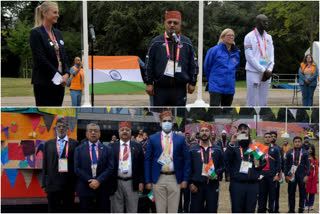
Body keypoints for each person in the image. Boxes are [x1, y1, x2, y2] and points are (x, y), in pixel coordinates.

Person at [144, 11, 199, 106]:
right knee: (160, 114)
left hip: (180, 89)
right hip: (160, 88)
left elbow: (193, 64)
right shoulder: (156, 41)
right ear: (165, 24)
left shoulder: (186, 42)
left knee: (179, 116)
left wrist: (192, 82)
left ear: (180, 25)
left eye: (175, 23)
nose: (172, 25)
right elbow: (148, 64)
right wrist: (149, 83)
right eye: (169, 22)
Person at [144, 111, 190, 212]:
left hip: (175, 178)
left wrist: (185, 179)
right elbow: (147, 160)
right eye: (164, 121)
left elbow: (187, 159)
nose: (167, 123)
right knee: (160, 210)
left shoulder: (181, 139)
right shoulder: (152, 139)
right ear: (160, 123)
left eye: (169, 121)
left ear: (173, 123)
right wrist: (148, 180)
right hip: (158, 178)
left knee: (173, 210)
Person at [30, 2, 70, 106]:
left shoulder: (58, 33)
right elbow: (40, 59)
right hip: (44, 83)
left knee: (56, 113)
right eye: (55, 12)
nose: (58, 15)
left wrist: (66, 73)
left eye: (58, 12)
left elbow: (64, 56)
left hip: (59, 83)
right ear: (44, 13)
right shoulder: (36, 33)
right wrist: (57, 76)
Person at [224, 123, 266, 213]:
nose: (243, 130)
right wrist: (231, 143)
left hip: (252, 185)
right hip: (237, 185)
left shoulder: (255, 147)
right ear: (237, 132)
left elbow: (264, 162)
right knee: (237, 210)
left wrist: (259, 164)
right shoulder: (233, 147)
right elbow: (225, 159)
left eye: (245, 129)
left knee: (250, 210)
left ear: (249, 132)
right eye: (240, 129)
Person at [74, 123, 114, 213]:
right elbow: (77, 168)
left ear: (99, 134)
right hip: (85, 187)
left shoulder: (107, 149)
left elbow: (110, 167)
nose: (93, 133)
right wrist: (90, 180)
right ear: (86, 134)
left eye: (95, 131)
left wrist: (98, 180)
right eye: (90, 131)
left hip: (102, 188)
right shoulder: (79, 149)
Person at [41, 118, 79, 212]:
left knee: (68, 209)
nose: (61, 128)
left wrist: (77, 183)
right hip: (52, 184)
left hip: (69, 184)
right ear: (56, 128)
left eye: (64, 127)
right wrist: (44, 183)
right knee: (53, 209)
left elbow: (77, 164)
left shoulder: (75, 143)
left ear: (67, 129)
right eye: (59, 126)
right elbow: (44, 164)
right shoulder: (48, 144)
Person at [189, 122, 224, 213]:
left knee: (211, 210)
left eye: (206, 131)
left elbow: (223, 166)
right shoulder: (193, 149)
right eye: (202, 131)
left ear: (210, 133)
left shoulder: (217, 149)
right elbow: (188, 168)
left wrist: (217, 173)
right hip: (197, 186)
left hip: (212, 185)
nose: (204, 133)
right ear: (199, 133)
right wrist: (191, 183)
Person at [110, 122, 144, 213]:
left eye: (127, 130)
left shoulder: (137, 146)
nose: (124, 132)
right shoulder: (111, 147)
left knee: (132, 209)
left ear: (131, 132)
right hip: (116, 183)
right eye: (122, 130)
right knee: (117, 209)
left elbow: (141, 166)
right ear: (118, 132)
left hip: (132, 182)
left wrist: (141, 181)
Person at [204, 28, 240, 106]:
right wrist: (212, 80)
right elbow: (207, 66)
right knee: (214, 111)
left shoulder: (236, 53)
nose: (231, 37)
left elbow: (235, 67)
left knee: (226, 113)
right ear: (222, 37)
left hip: (230, 87)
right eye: (229, 35)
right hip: (216, 86)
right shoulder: (214, 50)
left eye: (233, 35)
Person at [244, 14, 274, 106]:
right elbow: (249, 57)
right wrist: (263, 70)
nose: (266, 23)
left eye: (267, 21)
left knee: (263, 100)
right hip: (253, 72)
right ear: (257, 23)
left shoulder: (269, 37)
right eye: (263, 21)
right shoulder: (249, 37)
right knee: (252, 99)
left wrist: (269, 69)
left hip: (267, 73)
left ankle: (262, 118)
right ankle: (250, 117)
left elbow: (271, 55)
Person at [284, 136, 310, 213]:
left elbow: (308, 165)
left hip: (302, 174)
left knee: (303, 192)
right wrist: (286, 175)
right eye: (296, 142)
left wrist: (307, 175)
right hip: (291, 174)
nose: (297, 143)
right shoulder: (289, 152)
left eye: (299, 142)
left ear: (301, 143)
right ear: (293, 143)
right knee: (291, 192)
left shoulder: (305, 152)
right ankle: (291, 209)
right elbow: (285, 165)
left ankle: (301, 208)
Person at [257, 132, 281, 213]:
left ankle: (272, 211)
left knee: (272, 196)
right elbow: (256, 163)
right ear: (263, 139)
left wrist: (277, 175)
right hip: (262, 176)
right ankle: (261, 211)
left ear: (271, 139)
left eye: (269, 137)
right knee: (262, 196)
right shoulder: (259, 149)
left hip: (272, 176)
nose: (267, 138)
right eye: (266, 137)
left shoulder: (276, 149)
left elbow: (279, 163)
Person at [270, 131, 283, 213]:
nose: (273, 137)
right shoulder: (264, 147)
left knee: (276, 193)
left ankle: (276, 209)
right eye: (271, 136)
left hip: (276, 174)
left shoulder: (279, 148)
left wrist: (280, 173)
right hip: (266, 174)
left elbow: (281, 161)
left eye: (275, 136)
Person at [305, 145, 318, 211]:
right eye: (308, 149)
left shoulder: (315, 158)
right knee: (305, 191)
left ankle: (311, 205)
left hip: (313, 176)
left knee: (312, 191)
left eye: (311, 149)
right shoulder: (304, 157)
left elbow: (317, 169)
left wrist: (317, 177)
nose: (310, 150)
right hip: (306, 176)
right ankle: (306, 204)